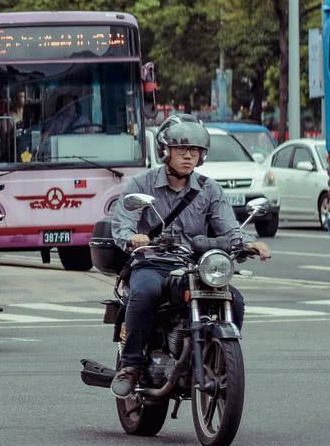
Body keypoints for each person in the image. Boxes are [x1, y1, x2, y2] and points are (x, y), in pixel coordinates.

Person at [107, 115, 269, 398]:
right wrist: (133, 237)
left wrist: (247, 243)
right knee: (145, 292)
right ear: (165, 151)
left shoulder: (209, 190)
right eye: (181, 149)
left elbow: (229, 229)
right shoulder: (140, 185)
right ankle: (131, 366)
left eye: (194, 150)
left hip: (195, 266)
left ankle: (218, 361)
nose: (188, 155)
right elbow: (122, 224)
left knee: (236, 300)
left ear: (202, 155)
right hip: (153, 263)